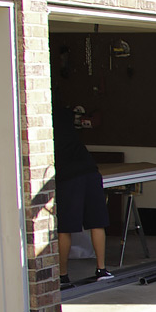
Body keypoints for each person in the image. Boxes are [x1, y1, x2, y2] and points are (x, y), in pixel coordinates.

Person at [53, 104, 113, 287]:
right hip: (90, 172)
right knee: (97, 222)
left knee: (65, 228)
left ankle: (62, 275)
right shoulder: (71, 133)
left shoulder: (50, 135)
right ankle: (101, 269)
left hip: (69, 177)